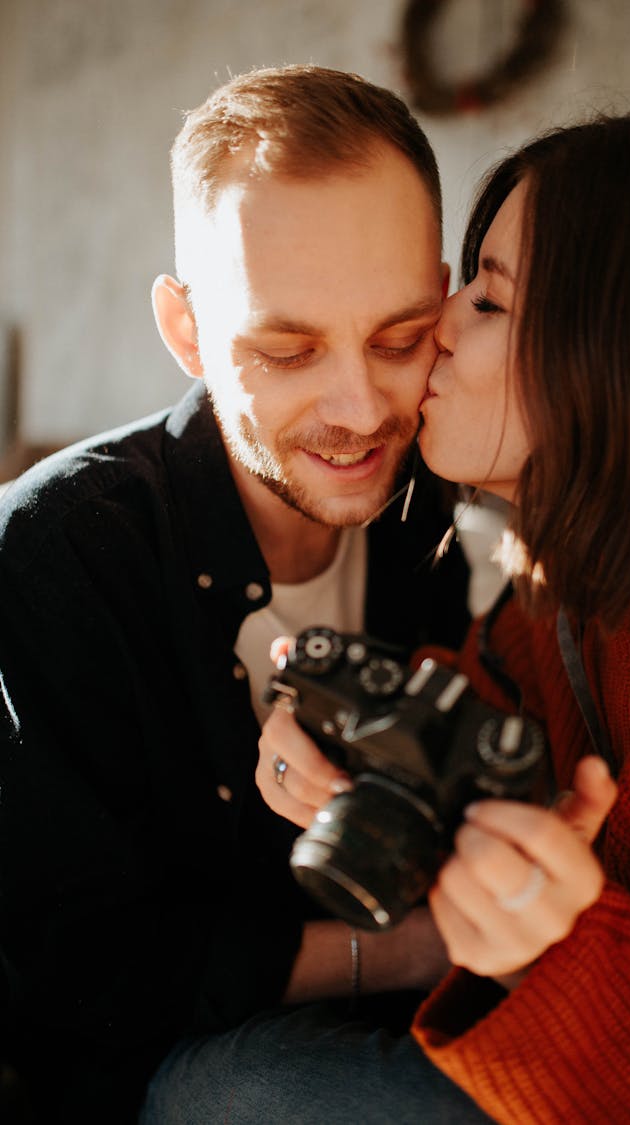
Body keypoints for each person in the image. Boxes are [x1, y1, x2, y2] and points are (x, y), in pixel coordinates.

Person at [0, 66, 474, 1124]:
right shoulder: (52, 552)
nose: (361, 409)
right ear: (186, 330)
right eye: (286, 349)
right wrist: (410, 946)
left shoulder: (442, 503)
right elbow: (79, 980)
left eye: (401, 338)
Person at [256, 111, 630, 1122]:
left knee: (226, 1090)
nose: (433, 323)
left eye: (487, 297)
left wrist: (550, 951)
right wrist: (340, 744)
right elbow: (489, 727)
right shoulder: (557, 592)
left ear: (620, 352)